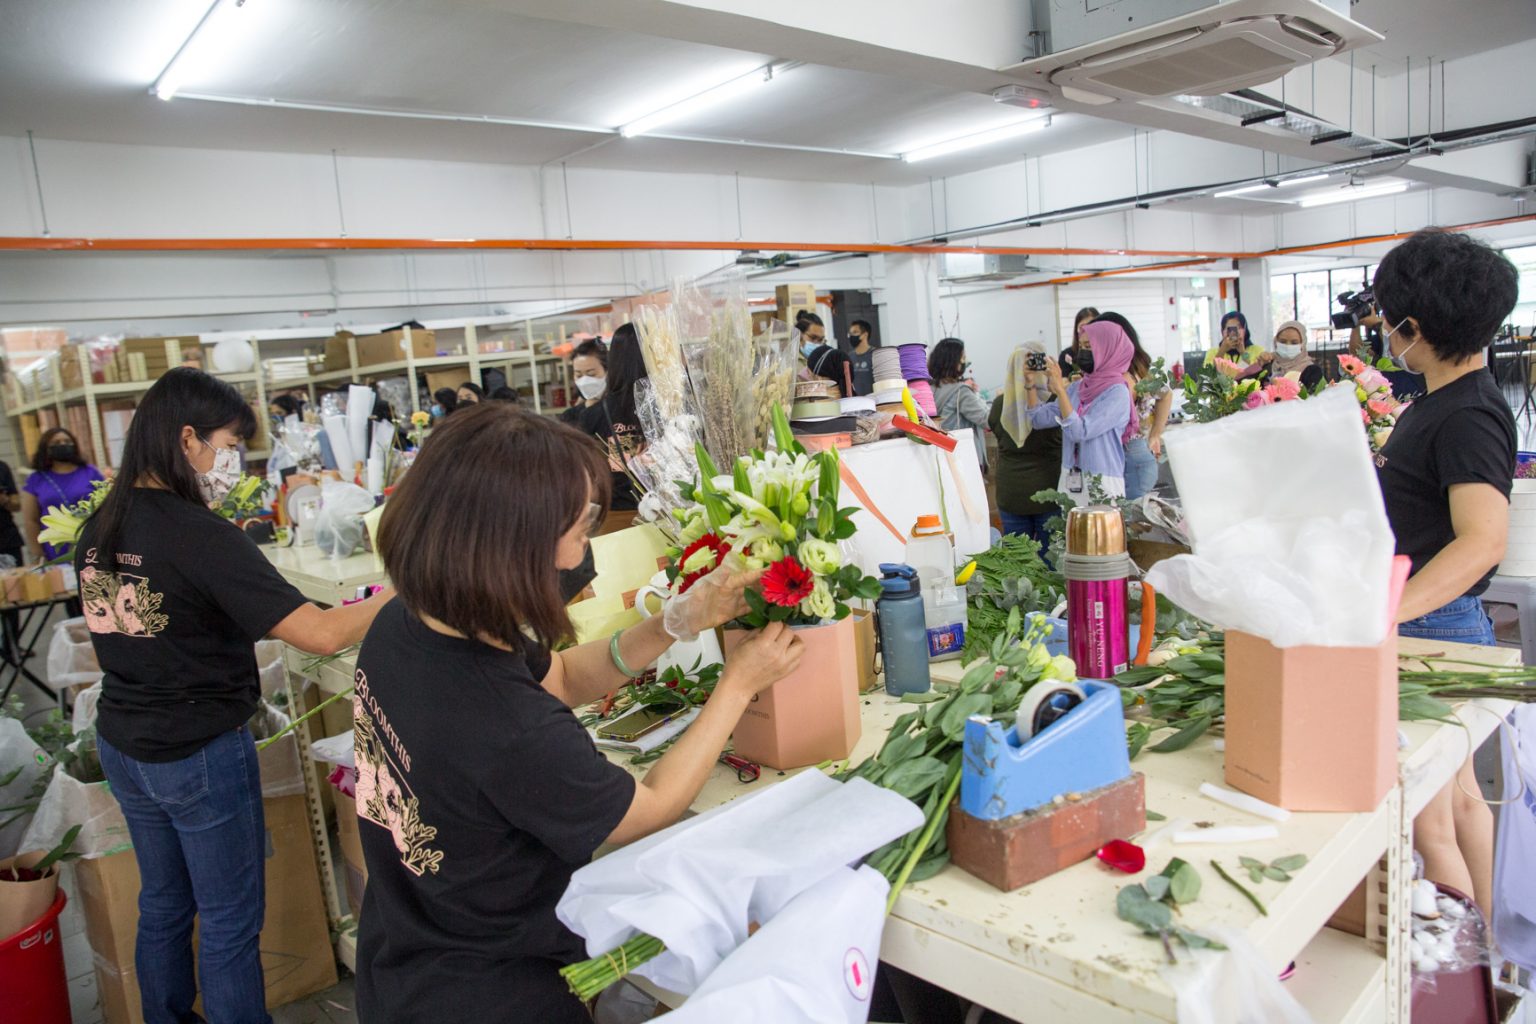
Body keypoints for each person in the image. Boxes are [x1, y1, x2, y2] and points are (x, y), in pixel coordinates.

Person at [352, 404, 803, 1023]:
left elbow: (560, 676)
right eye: (578, 529)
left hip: (405, 958)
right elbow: (646, 815)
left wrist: (676, 621)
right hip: (492, 997)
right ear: (515, 544)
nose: (581, 551)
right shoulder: (505, 724)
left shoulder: (406, 625)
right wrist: (736, 686)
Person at [79, 368, 393, 1024]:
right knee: (228, 922)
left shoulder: (103, 525)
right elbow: (319, 632)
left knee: (164, 903)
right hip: (194, 752)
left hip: (126, 745)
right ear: (187, 438)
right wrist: (405, 591)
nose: (235, 462)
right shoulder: (200, 535)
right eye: (229, 443)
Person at [1373, 229, 1519, 921]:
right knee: (1459, 800)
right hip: (1443, 624)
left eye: (1386, 317)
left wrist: (1387, 612)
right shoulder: (1452, 398)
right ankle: (1489, 962)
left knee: (1430, 822)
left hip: (1432, 629)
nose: (1381, 329)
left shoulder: (1465, 415)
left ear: (1415, 327)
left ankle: (1457, 973)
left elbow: (1483, 542)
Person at [1027, 320, 1135, 503]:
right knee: (1069, 530)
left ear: (1107, 350)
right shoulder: (1078, 388)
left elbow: (1080, 431)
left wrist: (1060, 390)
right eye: (1081, 346)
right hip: (1070, 479)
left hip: (1102, 483)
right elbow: (1038, 419)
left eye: (1089, 346)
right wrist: (1030, 384)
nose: (1083, 352)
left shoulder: (1117, 393)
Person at [990, 345, 1062, 551]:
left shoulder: (999, 405)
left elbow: (995, 430)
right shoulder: (1056, 403)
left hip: (1010, 493)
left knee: (1017, 559)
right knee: (1053, 558)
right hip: (1050, 493)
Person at [1094, 312, 1170, 501]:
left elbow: (1166, 394)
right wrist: (1155, 434)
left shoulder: (1123, 376)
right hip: (1134, 456)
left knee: (1128, 523)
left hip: (1129, 457)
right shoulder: (1136, 368)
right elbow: (1166, 393)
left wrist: (1155, 434)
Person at [24, 427, 106, 566]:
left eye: (67, 441)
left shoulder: (90, 473)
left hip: (92, 541)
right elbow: (31, 520)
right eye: (56, 442)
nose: (62, 445)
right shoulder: (37, 479)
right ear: (46, 448)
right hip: (54, 546)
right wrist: (37, 553)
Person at [929, 338, 989, 472]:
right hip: (963, 456)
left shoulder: (929, 388)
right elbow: (986, 420)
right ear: (954, 361)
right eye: (963, 358)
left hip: (939, 455)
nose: (965, 362)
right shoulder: (961, 392)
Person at [1204, 311, 1269, 377]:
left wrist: (1243, 353)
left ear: (1245, 330)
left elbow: (1256, 375)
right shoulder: (1212, 352)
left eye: (1238, 327)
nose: (1233, 333)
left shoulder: (1258, 351)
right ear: (1222, 331)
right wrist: (1222, 351)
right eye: (1229, 329)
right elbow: (1208, 376)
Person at [560, 339, 608, 424]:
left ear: (607, 371)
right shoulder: (570, 417)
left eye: (591, 374)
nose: (585, 381)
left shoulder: (622, 409)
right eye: (579, 375)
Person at [1269, 319, 1324, 389]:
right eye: (1283, 341)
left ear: (1302, 344)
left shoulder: (1312, 371)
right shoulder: (1268, 365)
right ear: (1276, 342)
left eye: (1294, 343)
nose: (1288, 346)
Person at [1059, 307, 1100, 378]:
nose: (1086, 331)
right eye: (1082, 327)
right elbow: (1063, 383)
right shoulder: (1066, 355)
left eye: (1090, 326)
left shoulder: (1106, 355)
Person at [847, 319, 876, 397]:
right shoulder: (849, 357)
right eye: (850, 333)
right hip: (856, 401)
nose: (851, 336)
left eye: (855, 332)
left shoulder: (875, 354)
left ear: (865, 334)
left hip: (873, 400)